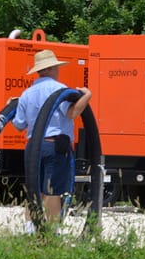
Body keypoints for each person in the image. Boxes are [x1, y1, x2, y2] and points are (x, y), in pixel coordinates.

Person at [11, 49, 91, 233]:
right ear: (51, 69)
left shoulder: (26, 94)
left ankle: (30, 228)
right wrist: (87, 96)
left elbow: (18, 125)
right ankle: (54, 230)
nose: (58, 70)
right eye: (56, 67)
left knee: (34, 188)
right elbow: (72, 113)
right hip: (54, 144)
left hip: (32, 147)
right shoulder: (59, 90)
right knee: (52, 189)